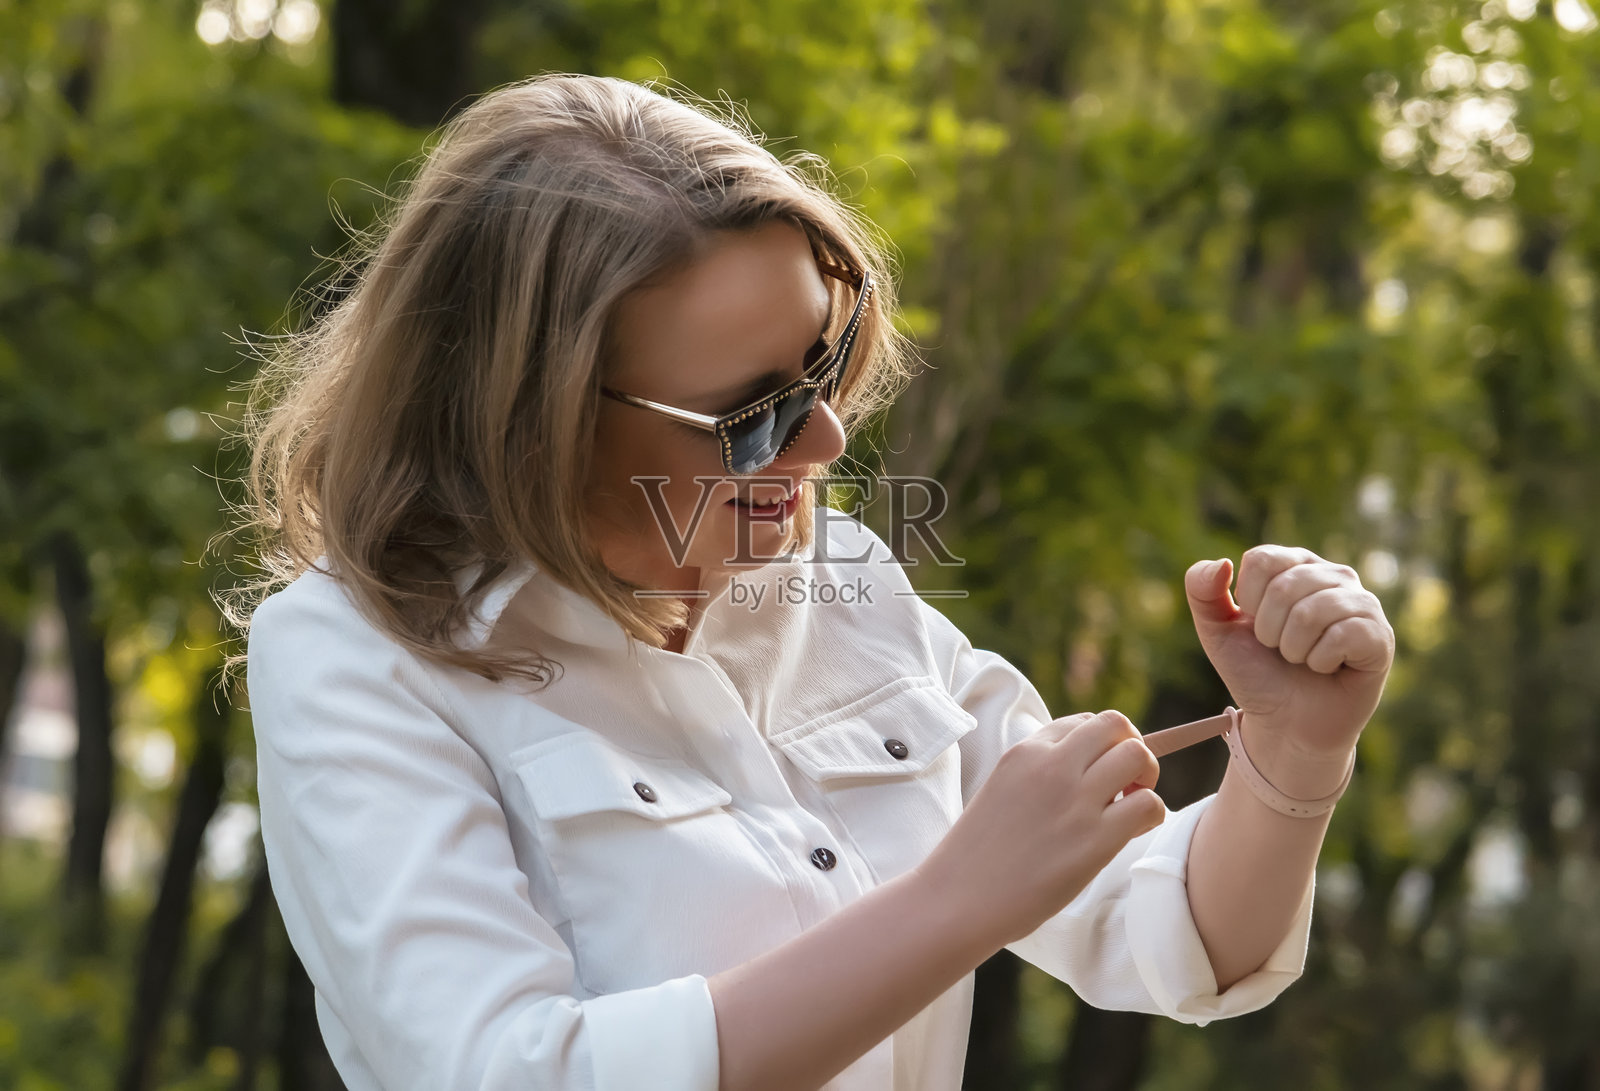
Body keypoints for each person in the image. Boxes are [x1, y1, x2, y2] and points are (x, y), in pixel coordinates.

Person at [230, 72, 1395, 1091]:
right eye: (752, 415)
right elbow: (504, 1071)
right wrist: (954, 903)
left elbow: (1165, 933)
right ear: (526, 420)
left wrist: (1293, 756)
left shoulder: (834, 574)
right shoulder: (356, 654)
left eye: (821, 360)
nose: (828, 437)